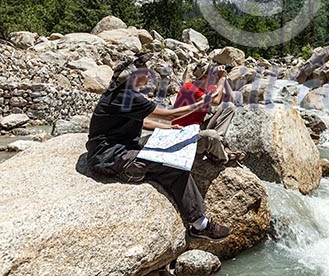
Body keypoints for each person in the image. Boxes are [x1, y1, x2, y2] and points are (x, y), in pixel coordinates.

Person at [85, 54, 230, 241]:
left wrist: (169, 128)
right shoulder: (127, 96)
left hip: (118, 148)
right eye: (145, 71)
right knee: (174, 166)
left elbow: (144, 121)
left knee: (166, 147)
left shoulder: (119, 93)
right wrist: (201, 103)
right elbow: (169, 114)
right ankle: (199, 224)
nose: (149, 75)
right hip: (112, 158)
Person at [171, 60, 244, 165]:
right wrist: (221, 80)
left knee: (229, 107)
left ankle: (217, 145)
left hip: (197, 129)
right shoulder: (189, 88)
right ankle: (224, 157)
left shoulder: (208, 89)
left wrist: (225, 80)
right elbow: (215, 102)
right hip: (183, 135)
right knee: (212, 135)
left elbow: (231, 100)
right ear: (205, 77)